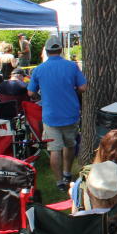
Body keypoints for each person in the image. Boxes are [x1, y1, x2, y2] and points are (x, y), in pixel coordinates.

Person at [28, 35, 87, 190]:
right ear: (61, 50)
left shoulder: (39, 69)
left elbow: (30, 93)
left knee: (55, 149)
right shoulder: (72, 66)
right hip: (70, 112)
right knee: (70, 144)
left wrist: (40, 94)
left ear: (46, 51)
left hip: (51, 114)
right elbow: (83, 87)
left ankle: (59, 182)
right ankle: (67, 173)